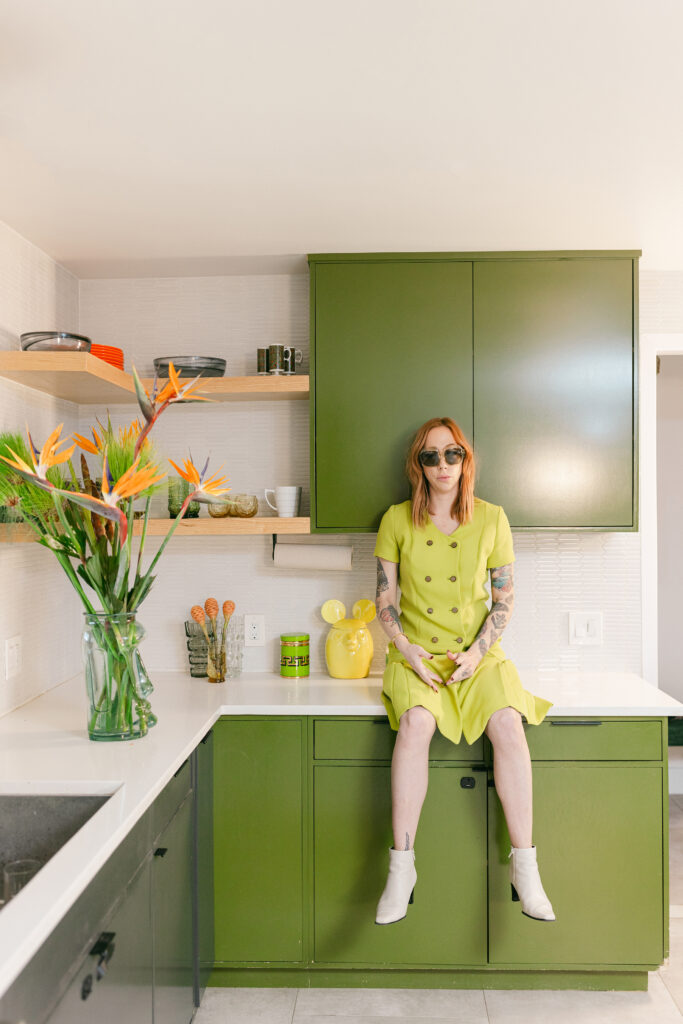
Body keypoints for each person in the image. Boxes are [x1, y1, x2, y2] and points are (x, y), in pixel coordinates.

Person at [373, 416, 556, 926]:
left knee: (507, 724)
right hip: (416, 654)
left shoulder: (493, 519)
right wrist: (406, 650)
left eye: (451, 454)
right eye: (430, 456)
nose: (442, 465)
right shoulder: (395, 520)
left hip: (478, 654)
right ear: (419, 466)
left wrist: (477, 654)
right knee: (415, 725)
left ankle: (526, 867)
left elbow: (504, 600)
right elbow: (385, 598)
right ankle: (401, 867)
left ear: (465, 459)